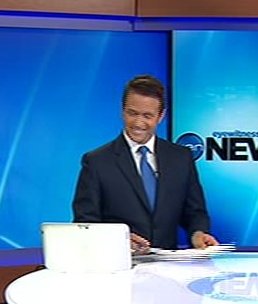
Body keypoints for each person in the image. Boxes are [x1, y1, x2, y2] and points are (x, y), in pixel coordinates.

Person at [72, 75, 219, 253]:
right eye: (132, 113)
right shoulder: (97, 162)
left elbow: (195, 212)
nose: (138, 123)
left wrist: (198, 233)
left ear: (160, 116)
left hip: (168, 265)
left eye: (147, 116)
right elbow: (85, 223)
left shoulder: (181, 158)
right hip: (119, 263)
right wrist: (118, 240)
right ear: (122, 111)